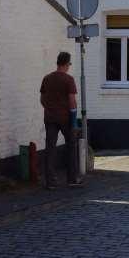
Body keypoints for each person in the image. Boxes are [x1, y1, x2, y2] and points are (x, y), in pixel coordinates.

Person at [40, 52, 82, 189]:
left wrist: (50, 108)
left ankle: (50, 181)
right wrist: (74, 121)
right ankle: (72, 179)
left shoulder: (47, 78)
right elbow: (72, 101)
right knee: (71, 146)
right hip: (65, 118)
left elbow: (42, 99)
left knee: (50, 148)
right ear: (66, 64)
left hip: (50, 117)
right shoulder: (68, 80)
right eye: (69, 64)